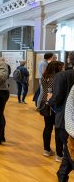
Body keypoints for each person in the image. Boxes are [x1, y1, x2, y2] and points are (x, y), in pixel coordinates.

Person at [48, 51, 74, 181]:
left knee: (69, 151)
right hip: (68, 119)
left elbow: (57, 98)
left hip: (66, 120)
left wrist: (49, 101)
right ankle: (62, 175)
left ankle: (62, 175)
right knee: (68, 151)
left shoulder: (62, 75)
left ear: (69, 60)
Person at [39, 61, 64, 161]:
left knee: (47, 127)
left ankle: (46, 150)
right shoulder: (57, 78)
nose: (63, 69)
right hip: (55, 105)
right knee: (58, 128)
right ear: (57, 68)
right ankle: (59, 154)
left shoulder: (44, 76)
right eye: (61, 67)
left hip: (46, 104)